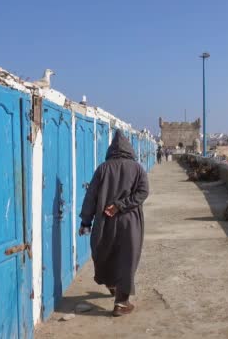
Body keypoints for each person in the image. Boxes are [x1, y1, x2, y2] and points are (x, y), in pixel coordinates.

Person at [79, 131, 150, 317]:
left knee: (105, 252)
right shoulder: (137, 168)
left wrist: (86, 222)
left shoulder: (102, 169)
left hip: (105, 221)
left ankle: (111, 284)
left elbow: (91, 197)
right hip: (130, 221)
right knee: (128, 257)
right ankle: (121, 302)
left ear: (111, 150)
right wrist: (122, 205)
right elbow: (143, 193)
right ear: (129, 149)